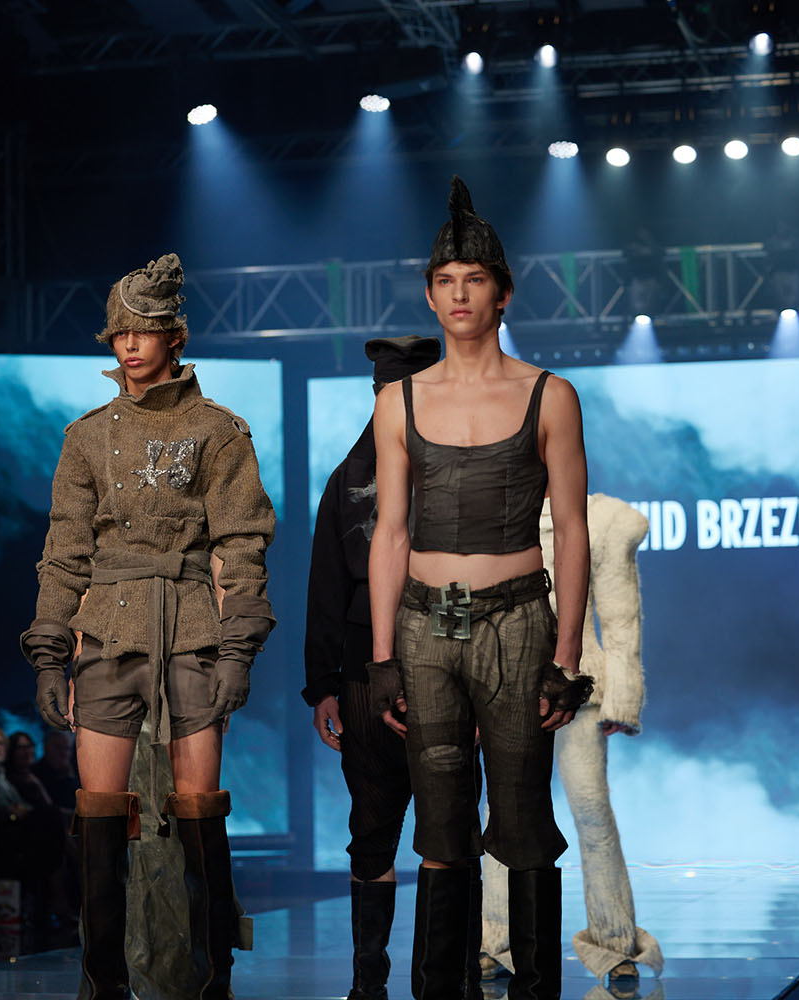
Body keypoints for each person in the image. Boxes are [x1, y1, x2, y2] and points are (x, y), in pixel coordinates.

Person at [20, 253, 276, 1000]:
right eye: (120, 333)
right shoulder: (85, 437)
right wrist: (49, 652)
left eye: (145, 331)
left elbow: (242, 544)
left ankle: (210, 982)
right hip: (105, 634)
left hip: (192, 632)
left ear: (175, 336)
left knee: (198, 815)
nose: (130, 345)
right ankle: (103, 985)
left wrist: (239, 649)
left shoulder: (219, 431)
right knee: (99, 817)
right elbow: (64, 552)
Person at [367, 178, 593, 1000]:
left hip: (517, 622)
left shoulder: (549, 394)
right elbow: (390, 532)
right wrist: (381, 658)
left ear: (502, 293)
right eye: (444, 281)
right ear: (430, 297)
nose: (459, 294)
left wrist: (564, 658)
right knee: (439, 826)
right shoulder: (398, 401)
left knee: (524, 818)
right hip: (425, 627)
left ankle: (534, 992)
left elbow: (571, 529)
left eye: (474, 280)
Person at [304, 334, 443, 1000]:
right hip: (368, 672)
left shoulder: (454, 466)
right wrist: (322, 686)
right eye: (387, 392)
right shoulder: (349, 477)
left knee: (443, 829)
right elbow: (325, 585)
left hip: (443, 664)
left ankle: (435, 981)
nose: (397, 403)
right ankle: (372, 981)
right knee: (376, 829)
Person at [480, 494, 664, 994]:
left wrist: (621, 699)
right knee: (501, 810)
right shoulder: (492, 503)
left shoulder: (602, 519)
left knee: (591, 811)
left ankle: (616, 942)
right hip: (505, 686)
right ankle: (495, 940)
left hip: (578, 687)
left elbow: (621, 617)